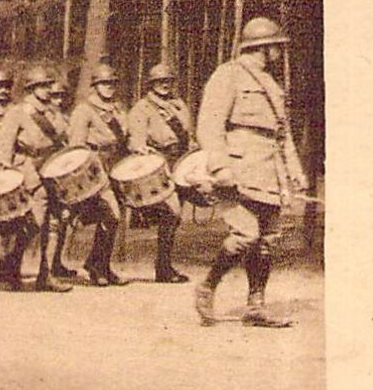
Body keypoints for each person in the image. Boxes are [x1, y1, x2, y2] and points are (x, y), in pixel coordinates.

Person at [193, 16, 308, 328]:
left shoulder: (270, 83)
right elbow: (209, 124)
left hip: (268, 172)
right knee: (246, 235)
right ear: (264, 47)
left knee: (266, 240)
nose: (280, 54)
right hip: (238, 168)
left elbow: (281, 134)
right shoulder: (228, 75)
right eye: (276, 48)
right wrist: (219, 166)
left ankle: (256, 306)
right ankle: (207, 288)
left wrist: (294, 170)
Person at [0, 66, 72, 292]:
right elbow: (5, 143)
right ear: (32, 89)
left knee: (54, 222)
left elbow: (64, 139)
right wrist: (5, 169)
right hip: (29, 169)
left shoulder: (54, 113)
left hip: (52, 169)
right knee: (33, 223)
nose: (46, 90)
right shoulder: (18, 112)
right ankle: (11, 266)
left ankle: (46, 275)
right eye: (41, 86)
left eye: (47, 85)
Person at [126, 61, 193, 283]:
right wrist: (140, 148)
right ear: (151, 84)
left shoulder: (178, 104)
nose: (164, 85)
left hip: (180, 160)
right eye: (159, 82)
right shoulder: (142, 108)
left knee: (175, 215)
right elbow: (136, 139)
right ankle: (163, 268)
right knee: (171, 212)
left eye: (168, 81)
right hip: (159, 163)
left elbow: (187, 132)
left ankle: (165, 265)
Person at [62, 65, 127, 286]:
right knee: (111, 215)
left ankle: (101, 266)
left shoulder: (117, 109)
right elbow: (77, 145)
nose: (108, 88)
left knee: (112, 219)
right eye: (103, 84)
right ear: (95, 86)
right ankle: (95, 266)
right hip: (94, 169)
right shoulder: (85, 109)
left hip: (114, 167)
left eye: (111, 83)